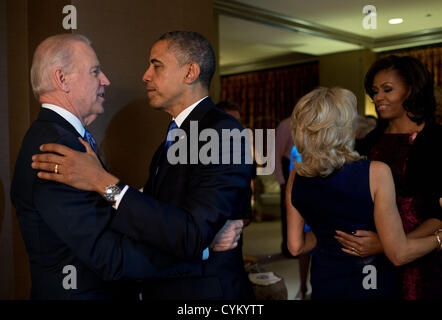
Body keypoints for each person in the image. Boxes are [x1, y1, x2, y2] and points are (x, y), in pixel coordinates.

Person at [11, 34, 241, 300]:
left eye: (157, 66)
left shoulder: (65, 140)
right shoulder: (57, 148)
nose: (105, 80)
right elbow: (110, 255)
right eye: (95, 71)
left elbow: (106, 209)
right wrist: (202, 245)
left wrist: (116, 189)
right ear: (62, 80)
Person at [286, 87, 440, 300]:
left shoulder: (296, 175)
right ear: (344, 127)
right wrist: (439, 239)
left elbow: (296, 246)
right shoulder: (375, 172)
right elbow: (399, 253)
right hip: (370, 283)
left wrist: (330, 234)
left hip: (324, 283)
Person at [335, 55, 442, 300]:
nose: (377, 97)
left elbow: (438, 215)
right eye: (375, 91)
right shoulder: (367, 144)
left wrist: (388, 244)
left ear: (411, 89)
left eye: (387, 89)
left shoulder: (437, 141)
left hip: (422, 260)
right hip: (371, 262)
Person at [275, 117, 294, 257]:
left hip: (307, 171)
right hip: (288, 170)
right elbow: (276, 155)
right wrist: (282, 182)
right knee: (289, 214)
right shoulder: (286, 125)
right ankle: (289, 249)